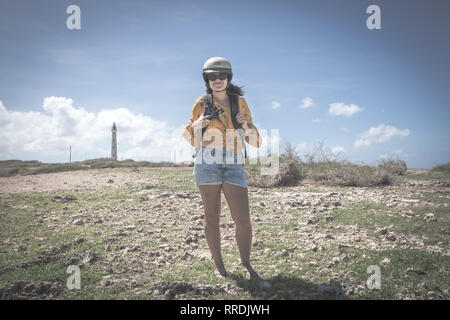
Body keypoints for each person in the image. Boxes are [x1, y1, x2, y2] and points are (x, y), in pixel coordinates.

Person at [182, 57, 262, 279]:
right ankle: (219, 266)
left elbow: (255, 142)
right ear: (206, 79)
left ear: (228, 78)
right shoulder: (200, 103)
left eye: (222, 76)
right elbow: (190, 137)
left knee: (243, 219)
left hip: (234, 162)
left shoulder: (239, 102)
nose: (217, 80)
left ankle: (246, 265)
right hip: (206, 161)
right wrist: (198, 125)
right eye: (212, 76)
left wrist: (245, 125)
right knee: (212, 215)